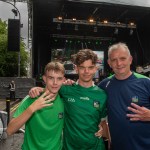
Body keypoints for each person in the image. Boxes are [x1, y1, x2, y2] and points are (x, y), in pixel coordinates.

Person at [29, 49, 110, 150]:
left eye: (90, 67)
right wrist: (37, 89)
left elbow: (103, 122)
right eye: (82, 67)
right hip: (69, 147)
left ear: (95, 68)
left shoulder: (102, 95)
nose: (86, 71)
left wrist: (103, 130)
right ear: (76, 68)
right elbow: (51, 88)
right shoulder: (65, 89)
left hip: (96, 147)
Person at [98, 42, 150, 150]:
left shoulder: (146, 83)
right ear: (109, 63)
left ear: (130, 59)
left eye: (122, 58)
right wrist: (68, 84)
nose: (118, 63)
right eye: (114, 60)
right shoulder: (104, 85)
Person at [6, 62, 65, 150]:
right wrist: (32, 108)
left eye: (59, 78)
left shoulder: (65, 101)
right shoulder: (30, 99)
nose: (55, 82)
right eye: (51, 78)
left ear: (63, 80)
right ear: (44, 79)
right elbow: (9, 130)